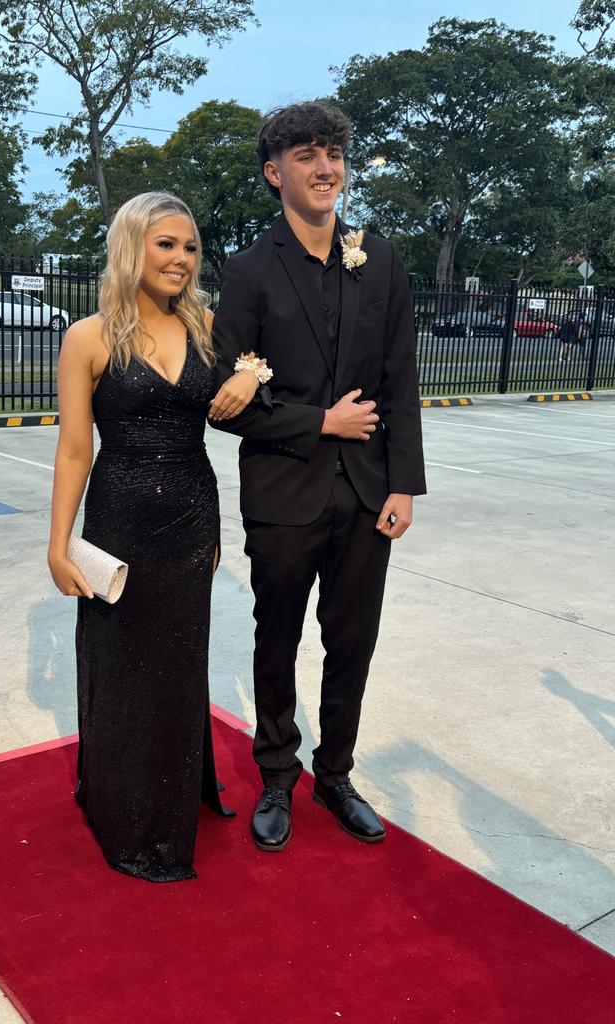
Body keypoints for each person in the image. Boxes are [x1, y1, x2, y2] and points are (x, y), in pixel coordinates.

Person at [209, 101, 426, 852]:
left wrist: (403, 485)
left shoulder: (382, 260)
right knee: (277, 638)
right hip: (283, 493)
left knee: (353, 642)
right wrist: (317, 422)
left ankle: (335, 774)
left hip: (369, 494)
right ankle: (277, 773)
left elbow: (400, 379)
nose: (324, 166)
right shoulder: (247, 272)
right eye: (305, 155)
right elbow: (226, 399)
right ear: (276, 173)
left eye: (332, 152)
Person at [47, 192, 259, 882]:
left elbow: (256, 375)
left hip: (194, 516)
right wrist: (58, 542)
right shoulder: (87, 337)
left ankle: (170, 803)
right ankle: (126, 810)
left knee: (175, 665)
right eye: (166, 244)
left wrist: (253, 378)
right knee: (122, 666)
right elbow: (76, 449)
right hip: (118, 520)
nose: (180, 258)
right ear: (132, 247)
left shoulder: (205, 325)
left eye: (190, 247)